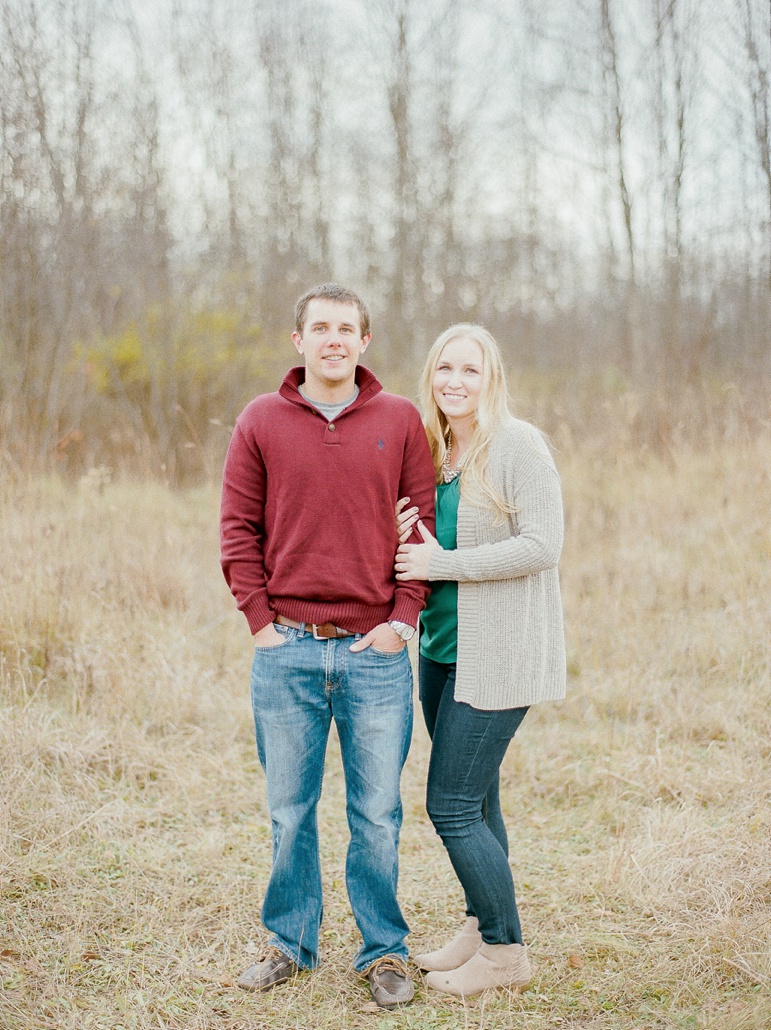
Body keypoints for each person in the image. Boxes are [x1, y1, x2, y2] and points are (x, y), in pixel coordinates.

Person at [219, 283, 436, 1009]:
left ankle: (383, 950)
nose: (333, 339)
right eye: (320, 327)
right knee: (289, 809)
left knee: (376, 813)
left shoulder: (401, 420)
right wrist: (259, 623)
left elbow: (422, 531)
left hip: (374, 653)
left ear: (365, 341)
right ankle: (290, 942)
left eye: (347, 328)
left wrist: (399, 621)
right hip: (287, 650)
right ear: (299, 340)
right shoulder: (261, 420)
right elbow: (237, 529)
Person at [394, 323, 566, 998]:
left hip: (498, 656)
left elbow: (542, 545)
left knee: (452, 805)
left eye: (468, 370)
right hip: (439, 653)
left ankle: (505, 952)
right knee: (481, 796)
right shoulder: (433, 449)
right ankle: (480, 921)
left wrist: (445, 563)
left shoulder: (518, 445)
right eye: (444, 369)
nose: (454, 382)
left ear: (489, 377)